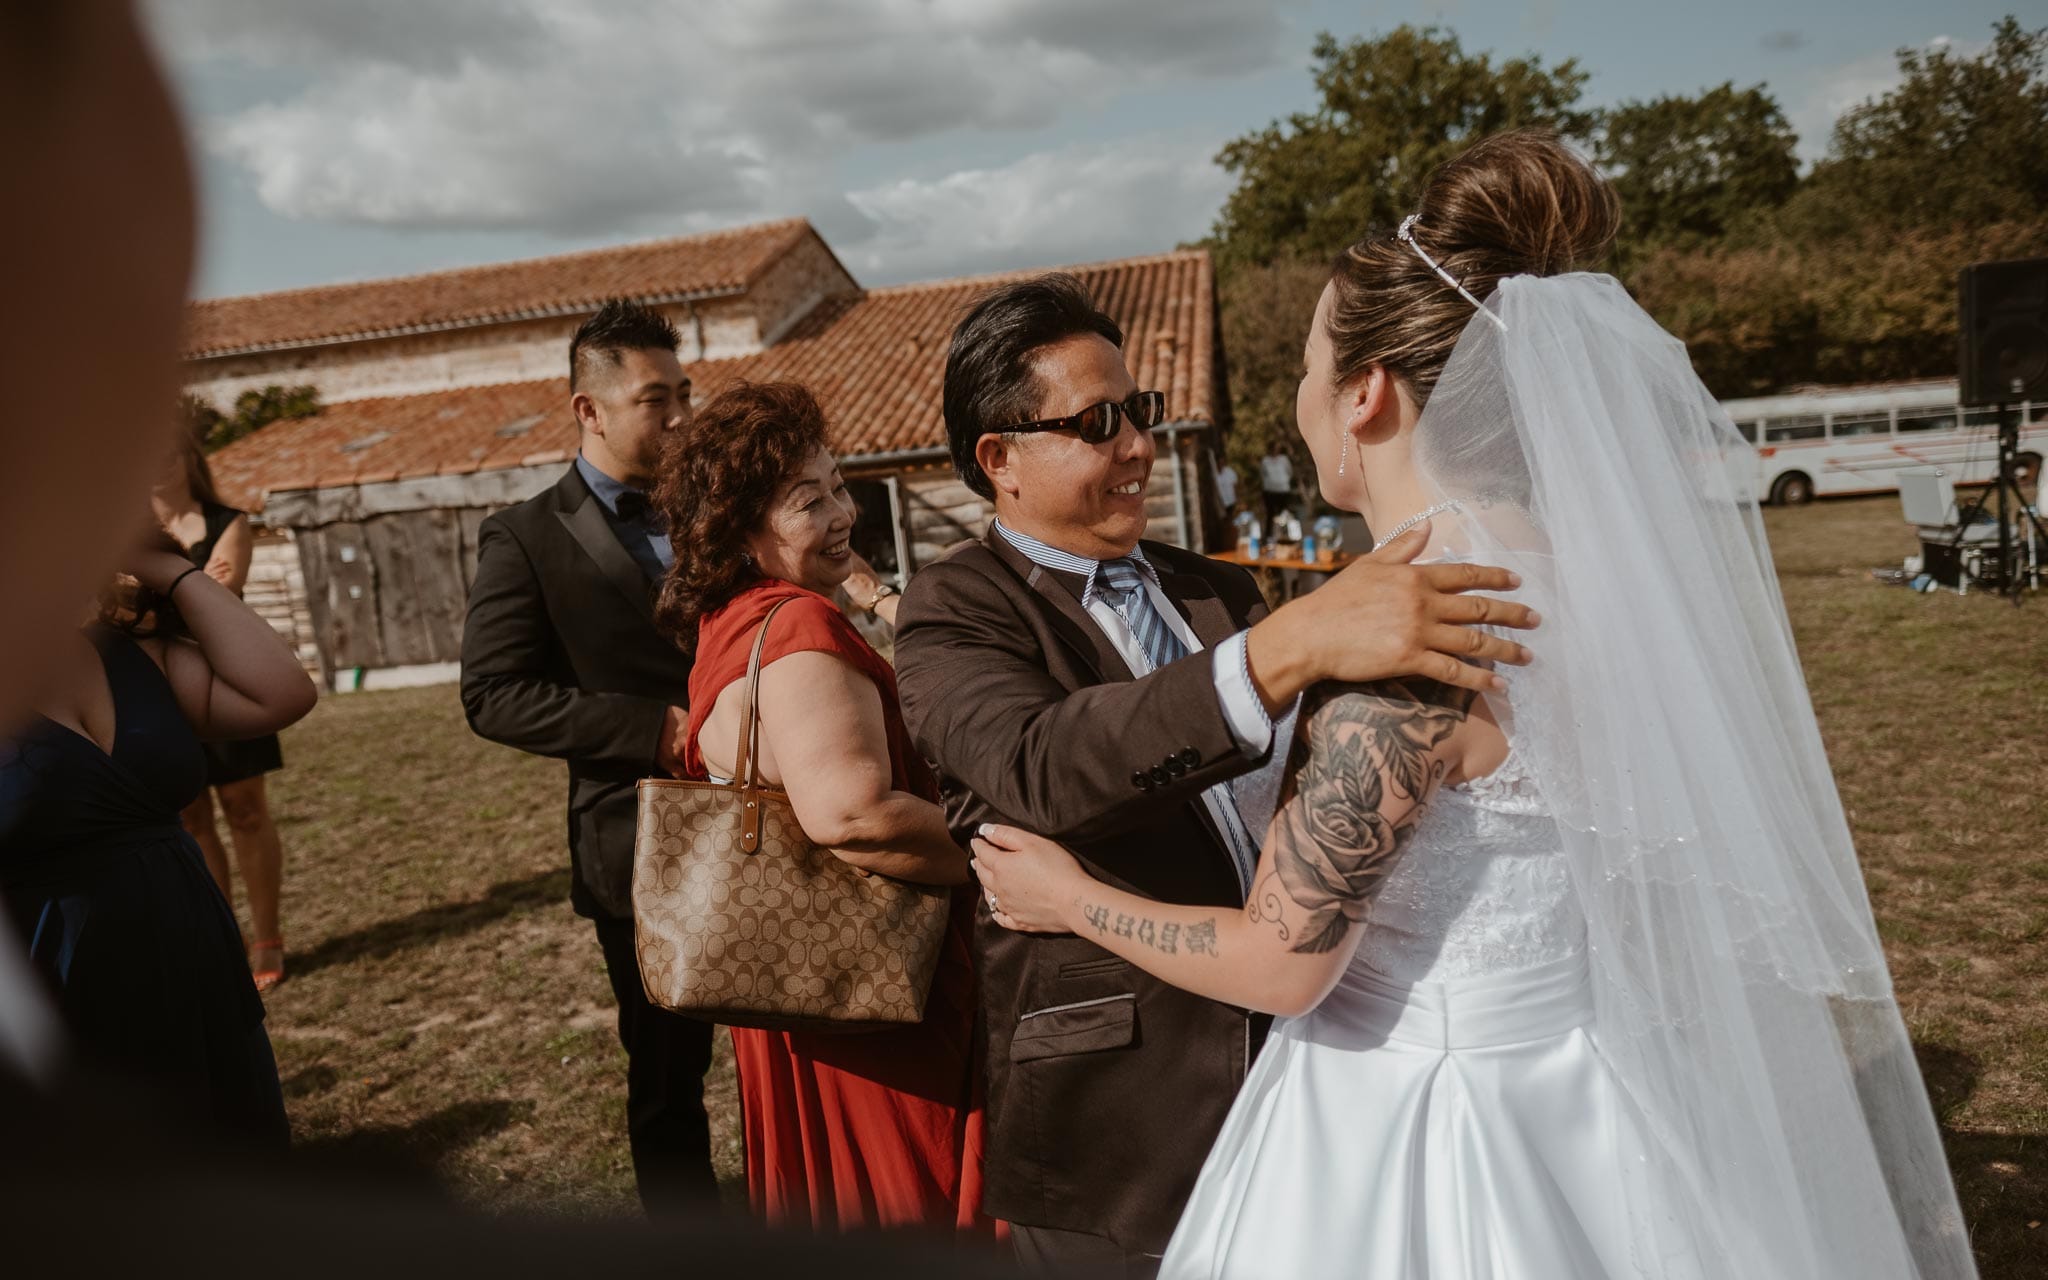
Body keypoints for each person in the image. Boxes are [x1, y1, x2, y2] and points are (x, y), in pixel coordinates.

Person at [970, 131, 1976, 1280]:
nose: (1297, 401)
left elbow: (1284, 962)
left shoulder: (1403, 626)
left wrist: (1073, 896)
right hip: (1591, 1071)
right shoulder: (1581, 569)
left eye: (1306, 370)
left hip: (1424, 1105)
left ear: (1363, 393)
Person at [892, 274, 1537, 1273]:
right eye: (1097, 422)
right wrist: (1281, 650)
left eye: (1138, 412)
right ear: (998, 458)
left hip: (1325, 1063)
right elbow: (1039, 762)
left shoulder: (1216, 586)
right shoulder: (953, 609)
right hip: (1121, 1122)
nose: (1138, 445)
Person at [653, 380, 1001, 1238]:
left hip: (804, 982)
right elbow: (855, 815)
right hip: (875, 994)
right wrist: (1002, 851)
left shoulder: (730, 626)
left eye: (840, 486)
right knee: (914, 1204)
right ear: (740, 526)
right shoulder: (800, 631)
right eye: (810, 500)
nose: (843, 512)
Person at [460, 299, 718, 1214]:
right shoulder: (525, 538)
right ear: (589, 410)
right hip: (640, 844)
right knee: (668, 1084)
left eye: (685, 392)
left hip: (778, 812)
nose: (683, 415)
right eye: (658, 399)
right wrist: (659, 728)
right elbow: (491, 695)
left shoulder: (719, 507)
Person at [1, 528, 314, 1145]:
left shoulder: (128, 654)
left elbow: (281, 692)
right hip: (51, 981)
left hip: (193, 963)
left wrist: (165, 569)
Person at [157, 429, 291, 992]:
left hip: (229, 686)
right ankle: (225, 937)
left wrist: (157, 600)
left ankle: (267, 936)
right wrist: (192, 591)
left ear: (187, 457)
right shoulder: (120, 533)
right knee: (190, 820)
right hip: (162, 694)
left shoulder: (228, 522)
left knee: (246, 811)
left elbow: (222, 602)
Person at [1257, 441, 1294, 526]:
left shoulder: (1284, 459)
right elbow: (1262, 474)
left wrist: (1284, 482)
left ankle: (1285, 534)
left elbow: (1289, 472)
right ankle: (1269, 535)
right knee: (1270, 513)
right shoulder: (1265, 461)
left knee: (1284, 513)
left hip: (1283, 490)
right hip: (1270, 491)